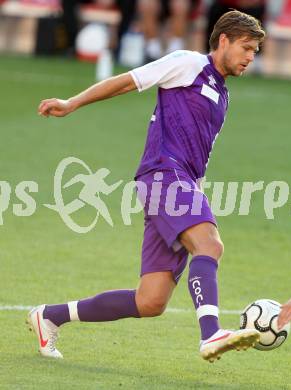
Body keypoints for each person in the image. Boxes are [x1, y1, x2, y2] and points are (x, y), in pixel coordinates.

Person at [28, 10, 265, 363]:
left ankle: (49, 316)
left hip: (180, 182)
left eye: (255, 52)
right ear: (224, 40)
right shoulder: (189, 63)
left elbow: (198, 150)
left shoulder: (222, 93)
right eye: (246, 47)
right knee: (209, 245)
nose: (250, 57)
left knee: (150, 301)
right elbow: (128, 80)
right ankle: (211, 333)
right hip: (163, 174)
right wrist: (72, 102)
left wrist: (196, 191)